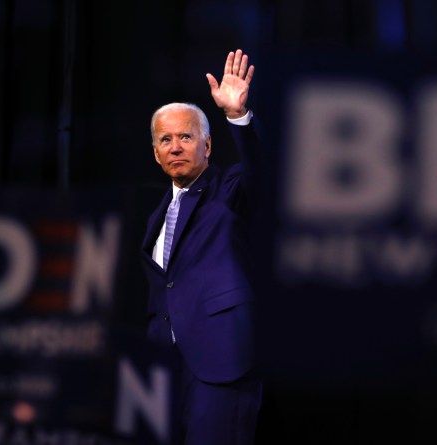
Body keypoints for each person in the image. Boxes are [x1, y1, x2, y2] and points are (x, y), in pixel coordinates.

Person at [140, 49, 262, 445]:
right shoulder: (156, 217)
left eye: (186, 137)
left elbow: (263, 170)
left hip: (220, 363)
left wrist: (237, 116)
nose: (176, 146)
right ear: (156, 154)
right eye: (166, 140)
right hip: (163, 374)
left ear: (207, 147)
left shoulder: (227, 191)